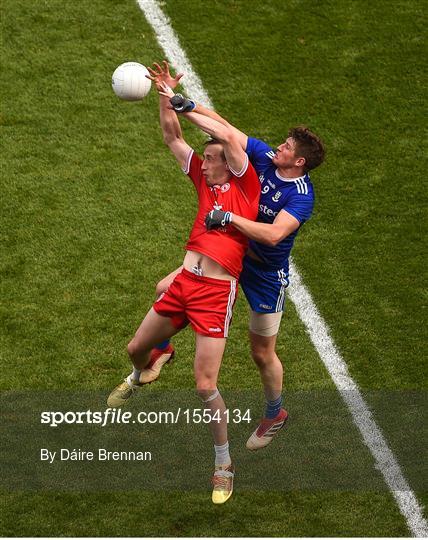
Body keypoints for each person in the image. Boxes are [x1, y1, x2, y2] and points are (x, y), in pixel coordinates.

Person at [141, 62, 326, 452]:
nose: (280, 146)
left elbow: (275, 234)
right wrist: (181, 102)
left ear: (299, 163)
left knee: (261, 351)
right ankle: (161, 350)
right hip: (228, 257)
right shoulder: (263, 157)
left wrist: (230, 217)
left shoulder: (301, 197)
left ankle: (275, 412)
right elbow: (223, 128)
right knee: (164, 288)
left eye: (288, 147)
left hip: (263, 272)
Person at [107, 61, 261, 504]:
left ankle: (223, 465)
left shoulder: (244, 187)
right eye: (206, 157)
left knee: (204, 385)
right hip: (184, 284)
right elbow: (174, 137)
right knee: (135, 350)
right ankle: (145, 369)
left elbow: (231, 140)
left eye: (211, 157)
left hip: (215, 293)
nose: (204, 160)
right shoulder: (202, 179)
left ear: (228, 163)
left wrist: (187, 103)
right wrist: (162, 93)